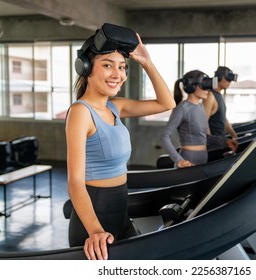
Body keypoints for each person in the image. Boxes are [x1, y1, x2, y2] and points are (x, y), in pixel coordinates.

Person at [65, 23, 175, 260]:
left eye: (122, 67)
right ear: (86, 69)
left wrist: (146, 62)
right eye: (107, 65)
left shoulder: (116, 107)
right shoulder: (80, 112)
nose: (117, 74)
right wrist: (95, 231)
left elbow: (167, 103)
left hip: (120, 212)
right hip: (94, 220)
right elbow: (75, 181)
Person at [160, 70, 237, 168]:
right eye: (204, 86)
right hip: (188, 161)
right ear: (192, 86)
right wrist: (179, 160)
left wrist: (226, 141)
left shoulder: (200, 107)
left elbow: (204, 137)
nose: (207, 90)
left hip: (203, 159)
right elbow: (164, 136)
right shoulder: (183, 108)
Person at [203, 66, 239, 149]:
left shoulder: (219, 96)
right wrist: (210, 143)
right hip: (213, 145)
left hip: (220, 143)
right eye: (227, 79)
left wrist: (234, 135)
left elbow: (223, 119)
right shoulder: (210, 96)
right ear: (219, 78)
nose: (229, 82)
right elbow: (203, 122)